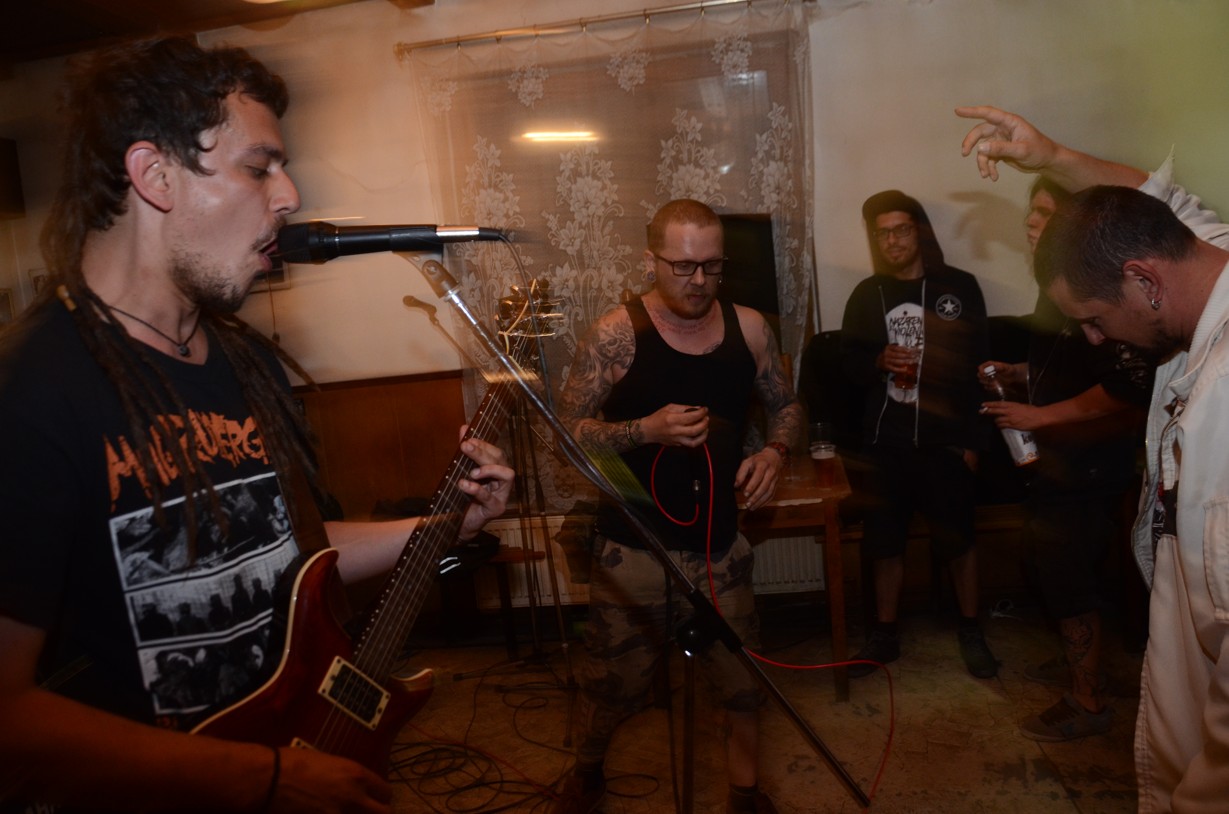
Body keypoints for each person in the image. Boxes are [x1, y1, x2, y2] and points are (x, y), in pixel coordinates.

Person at [0, 37, 514, 814]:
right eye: (258, 167)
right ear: (154, 175)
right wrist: (264, 779)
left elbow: (285, 550)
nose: (289, 196)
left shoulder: (247, 366)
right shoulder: (32, 390)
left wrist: (444, 524)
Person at [958, 104, 1229, 813]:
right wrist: (1051, 156)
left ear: (1144, 282)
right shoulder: (1199, 258)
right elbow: (1161, 203)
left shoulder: (1223, 405)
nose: (1096, 339)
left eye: (1096, 319)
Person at [553, 198, 802, 814]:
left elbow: (787, 405)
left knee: (743, 685)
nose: (698, 281)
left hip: (719, 546)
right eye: (683, 266)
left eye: (712, 267)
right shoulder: (615, 334)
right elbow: (564, 435)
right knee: (612, 685)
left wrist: (773, 453)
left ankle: (744, 795)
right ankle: (586, 774)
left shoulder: (749, 328)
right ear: (650, 261)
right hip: (633, 546)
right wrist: (644, 430)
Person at [976, 175, 1152, 741]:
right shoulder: (1053, 286)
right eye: (1031, 211)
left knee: (1069, 581)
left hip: (1088, 466)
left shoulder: (1093, 288)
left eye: (1046, 213)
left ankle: (1088, 700)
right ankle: (1083, 663)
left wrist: (1041, 416)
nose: (1032, 222)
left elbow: (1127, 386)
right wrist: (1019, 374)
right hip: (1056, 465)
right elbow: (1069, 364)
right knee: (1049, 571)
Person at [840, 189, 997, 680]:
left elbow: (981, 368)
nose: (892, 241)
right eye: (882, 233)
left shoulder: (960, 287)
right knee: (885, 542)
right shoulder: (867, 294)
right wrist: (876, 359)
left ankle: (971, 630)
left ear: (920, 231)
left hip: (945, 443)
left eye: (901, 230)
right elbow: (846, 368)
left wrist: (974, 442)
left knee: (960, 540)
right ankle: (884, 636)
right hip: (885, 443)